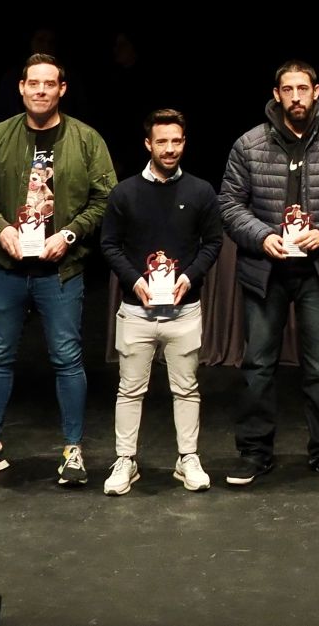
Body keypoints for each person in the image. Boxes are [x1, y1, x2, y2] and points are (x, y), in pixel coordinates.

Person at [0, 54, 116, 486]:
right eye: (34, 83)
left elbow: (107, 200)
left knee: (67, 358)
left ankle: (73, 450)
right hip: (5, 267)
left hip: (61, 271)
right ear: (22, 88)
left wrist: (68, 236)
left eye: (50, 84)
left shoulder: (85, 139)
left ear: (62, 90)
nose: (42, 90)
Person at [217, 61, 319, 487]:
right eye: (287, 90)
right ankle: (254, 453)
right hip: (265, 269)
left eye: (303, 89)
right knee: (257, 366)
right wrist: (261, 236)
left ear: (317, 91)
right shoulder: (248, 144)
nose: (296, 97)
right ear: (276, 95)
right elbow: (230, 204)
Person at [99, 109, 224, 495]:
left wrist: (189, 277)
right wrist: (135, 282)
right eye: (162, 142)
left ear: (184, 143)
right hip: (137, 311)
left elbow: (214, 242)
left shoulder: (201, 191)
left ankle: (187, 458)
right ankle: (126, 460)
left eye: (177, 141)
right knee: (130, 389)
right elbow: (109, 244)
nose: (169, 149)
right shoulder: (125, 192)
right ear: (148, 144)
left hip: (183, 310)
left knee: (186, 388)